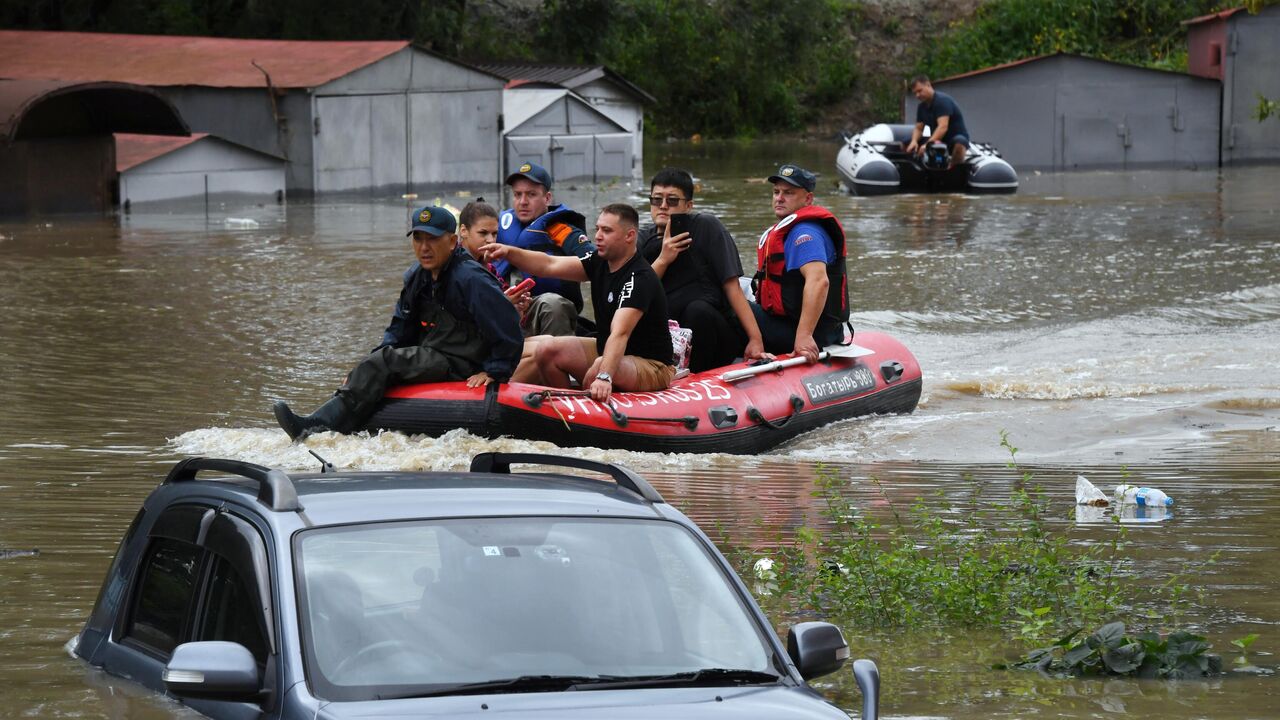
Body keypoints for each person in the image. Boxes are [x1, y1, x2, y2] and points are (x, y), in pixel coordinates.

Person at [272, 205, 523, 440]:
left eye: (433, 239)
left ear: (452, 241)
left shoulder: (470, 278)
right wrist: (364, 369)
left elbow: (508, 325)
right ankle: (336, 415)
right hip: (436, 352)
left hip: (462, 360)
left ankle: (314, 428)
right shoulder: (417, 276)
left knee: (385, 362)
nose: (424, 247)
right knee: (380, 361)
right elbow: (399, 328)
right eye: (418, 239)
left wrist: (495, 371)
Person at [482, 203, 673, 403]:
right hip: (605, 349)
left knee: (601, 365)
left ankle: (591, 400)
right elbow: (549, 264)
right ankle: (568, 407)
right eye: (598, 228)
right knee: (546, 350)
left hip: (651, 365)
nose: (598, 236)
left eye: (606, 231)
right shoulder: (599, 261)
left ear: (629, 236)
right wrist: (508, 252)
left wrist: (604, 376)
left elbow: (620, 333)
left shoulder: (639, 277)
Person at [638, 167, 767, 372]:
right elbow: (636, 295)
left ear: (688, 205)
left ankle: (694, 377)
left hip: (712, 332)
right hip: (668, 335)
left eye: (672, 200)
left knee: (697, 311)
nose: (663, 206)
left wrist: (755, 339)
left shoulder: (707, 227)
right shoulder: (642, 239)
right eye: (656, 200)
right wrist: (663, 259)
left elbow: (732, 286)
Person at [750, 164, 850, 364]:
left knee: (727, 304)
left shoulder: (804, 234)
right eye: (776, 192)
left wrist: (804, 336)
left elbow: (819, 281)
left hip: (806, 334)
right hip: (804, 327)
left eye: (788, 193)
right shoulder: (792, 229)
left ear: (808, 199)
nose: (779, 198)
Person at [495, 161, 594, 337]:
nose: (523, 202)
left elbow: (595, 263)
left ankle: (557, 360)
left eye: (531, 195)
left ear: (547, 198)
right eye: (518, 195)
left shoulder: (563, 231)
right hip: (504, 308)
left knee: (551, 304)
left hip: (547, 313)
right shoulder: (497, 226)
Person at [458, 199, 533, 317]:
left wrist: (516, 307)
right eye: (483, 233)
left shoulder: (490, 268)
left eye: (494, 234)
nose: (491, 240)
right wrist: (503, 303)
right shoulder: (453, 267)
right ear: (463, 231)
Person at [904, 74, 969, 168]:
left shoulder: (942, 101)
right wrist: (914, 141)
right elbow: (919, 128)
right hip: (936, 139)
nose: (917, 95)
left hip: (951, 140)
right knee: (904, 143)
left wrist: (927, 145)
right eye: (915, 93)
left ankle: (954, 170)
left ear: (928, 85)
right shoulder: (922, 107)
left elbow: (943, 127)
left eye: (919, 91)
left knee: (960, 141)